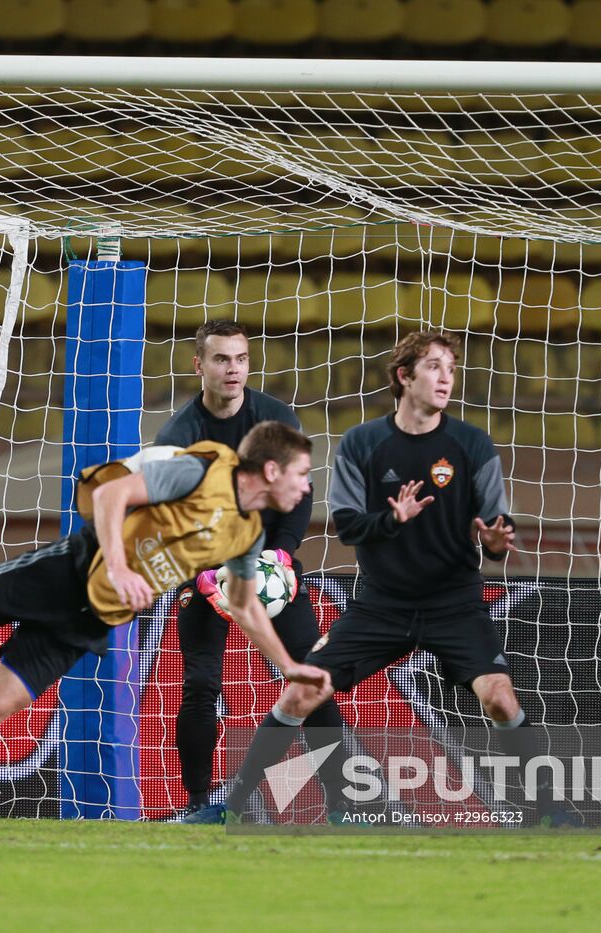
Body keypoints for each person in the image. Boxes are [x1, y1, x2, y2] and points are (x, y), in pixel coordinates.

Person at [206, 329, 577, 827]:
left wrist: (494, 541)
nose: (446, 377)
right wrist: (393, 520)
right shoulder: (363, 443)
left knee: (499, 697)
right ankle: (230, 810)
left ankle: (549, 811)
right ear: (404, 377)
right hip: (381, 606)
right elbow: (348, 526)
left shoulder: (472, 444)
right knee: (302, 691)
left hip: (454, 604)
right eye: (434, 367)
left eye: (450, 368)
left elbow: (496, 524)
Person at [0, 421, 332, 755]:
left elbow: (242, 604)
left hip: (91, 618)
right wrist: (121, 568)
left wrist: (287, 666)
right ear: (270, 468)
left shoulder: (249, 532)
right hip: (64, 575)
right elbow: (111, 495)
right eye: (302, 474)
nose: (307, 486)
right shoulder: (200, 473)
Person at [156, 320, 349, 821]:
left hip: (271, 569)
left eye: (240, 359)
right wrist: (199, 577)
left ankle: (342, 804)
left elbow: (299, 495)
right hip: (207, 570)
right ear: (199, 366)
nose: (233, 369)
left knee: (310, 676)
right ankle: (199, 804)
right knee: (200, 684)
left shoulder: (275, 420)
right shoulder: (179, 436)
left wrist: (282, 554)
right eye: (221, 359)